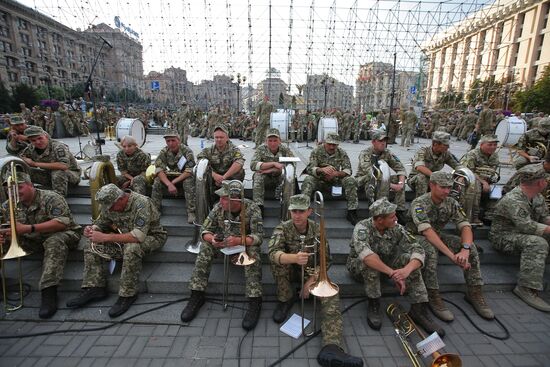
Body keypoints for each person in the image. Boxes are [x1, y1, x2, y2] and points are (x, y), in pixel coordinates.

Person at [268, 194, 363, 367]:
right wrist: (293, 258)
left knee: (331, 294)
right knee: (278, 264)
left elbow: (326, 260)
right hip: (291, 269)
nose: (297, 215)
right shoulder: (282, 228)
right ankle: (285, 298)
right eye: (294, 211)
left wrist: (310, 281)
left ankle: (332, 347)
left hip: (310, 272)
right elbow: (273, 252)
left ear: (309, 211)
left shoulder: (317, 229)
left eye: (301, 211)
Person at [66, 184, 167, 317]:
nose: (110, 210)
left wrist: (106, 237)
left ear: (121, 199)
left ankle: (127, 294)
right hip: (123, 236)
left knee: (132, 248)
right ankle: (95, 287)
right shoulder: (110, 204)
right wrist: (93, 229)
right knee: (90, 245)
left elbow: (138, 236)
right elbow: (102, 221)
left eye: (112, 207)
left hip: (151, 236)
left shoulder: (141, 203)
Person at [347, 198, 444, 335]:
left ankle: (419, 310)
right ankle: (374, 303)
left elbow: (418, 248)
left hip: (387, 263)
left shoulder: (397, 228)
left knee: (410, 261)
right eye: (392, 216)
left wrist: (406, 271)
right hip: (359, 267)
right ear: (380, 219)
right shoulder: (362, 228)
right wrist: (393, 273)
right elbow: (368, 257)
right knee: (371, 264)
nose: (396, 218)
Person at [409, 171, 494, 321]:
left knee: (471, 246)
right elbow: (427, 233)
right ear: (432, 185)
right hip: (415, 237)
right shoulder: (419, 203)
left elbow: (465, 227)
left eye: (449, 187)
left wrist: (465, 250)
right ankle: (433, 294)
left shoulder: (451, 203)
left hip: (437, 236)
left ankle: (474, 291)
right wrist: (452, 256)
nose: (447, 191)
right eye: (443, 187)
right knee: (430, 249)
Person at [180, 181, 263, 330]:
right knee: (205, 247)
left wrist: (238, 240)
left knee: (254, 252)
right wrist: (212, 239)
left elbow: (258, 237)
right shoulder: (219, 207)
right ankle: (197, 294)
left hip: (243, 245)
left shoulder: (252, 209)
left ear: (236, 199)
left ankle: (254, 299)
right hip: (223, 244)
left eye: (225, 198)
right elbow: (204, 230)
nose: (220, 201)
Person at [0, 172, 81, 318]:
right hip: (31, 240)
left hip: (62, 234)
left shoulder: (51, 197)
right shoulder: (7, 206)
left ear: (30, 185)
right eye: (9, 190)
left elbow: (61, 223)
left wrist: (28, 228)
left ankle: (48, 292)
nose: (14, 192)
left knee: (54, 242)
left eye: (19, 187)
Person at [490, 171, 550, 312]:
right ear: (540, 183)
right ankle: (526, 288)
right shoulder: (513, 199)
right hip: (504, 237)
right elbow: (527, 226)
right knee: (537, 243)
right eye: (546, 180)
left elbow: (544, 217)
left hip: (522, 233)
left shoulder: (537, 197)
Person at [301, 132, 359, 225]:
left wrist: (336, 174)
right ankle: (303, 210)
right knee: (308, 180)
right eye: (329, 144)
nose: (332, 147)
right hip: (319, 180)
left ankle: (352, 212)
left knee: (350, 180)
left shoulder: (341, 153)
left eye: (334, 144)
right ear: (324, 142)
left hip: (335, 181)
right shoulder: (316, 151)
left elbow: (348, 170)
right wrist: (321, 170)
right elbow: (310, 169)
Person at [355, 129, 407, 222]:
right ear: (373, 142)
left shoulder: (387, 153)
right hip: (363, 179)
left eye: (385, 141)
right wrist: (389, 185)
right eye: (380, 141)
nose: (383, 143)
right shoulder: (365, 153)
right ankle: (375, 213)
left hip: (380, 179)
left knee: (398, 179)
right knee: (372, 181)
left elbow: (400, 169)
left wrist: (400, 183)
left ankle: (399, 211)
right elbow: (371, 173)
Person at [19, 125, 81, 196]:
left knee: (58, 172)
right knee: (23, 171)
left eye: (40, 138)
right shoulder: (31, 148)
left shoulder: (58, 147)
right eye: (33, 140)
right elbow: (21, 157)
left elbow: (64, 166)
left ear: (45, 135)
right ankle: (26, 195)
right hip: (49, 175)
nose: (38, 142)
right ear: (29, 141)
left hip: (70, 175)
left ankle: (58, 198)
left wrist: (34, 163)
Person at [151, 130, 196, 223]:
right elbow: (159, 169)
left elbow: (189, 171)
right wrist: (168, 184)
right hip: (171, 177)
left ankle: (191, 211)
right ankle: (155, 210)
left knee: (189, 181)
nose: (170, 143)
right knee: (157, 181)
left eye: (173, 140)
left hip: (183, 177)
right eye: (168, 141)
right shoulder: (164, 151)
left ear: (179, 141)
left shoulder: (187, 151)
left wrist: (172, 183)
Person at [250, 128, 295, 213]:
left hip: (279, 178)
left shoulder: (285, 150)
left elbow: (292, 165)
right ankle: (259, 207)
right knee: (257, 176)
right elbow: (253, 165)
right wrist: (273, 164)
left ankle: (288, 206)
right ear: (266, 141)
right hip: (266, 179)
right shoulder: (261, 149)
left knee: (290, 176)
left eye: (275, 140)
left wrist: (269, 170)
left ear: (280, 141)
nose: (272, 143)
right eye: (270, 140)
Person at [459, 134, 500, 224]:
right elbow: (467, 171)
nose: (493, 147)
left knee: (497, 191)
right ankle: (473, 216)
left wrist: (489, 182)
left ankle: (489, 214)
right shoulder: (472, 154)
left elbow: (492, 171)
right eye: (490, 145)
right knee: (476, 187)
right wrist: (483, 182)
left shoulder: (494, 156)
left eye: (495, 145)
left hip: (487, 180)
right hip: (471, 179)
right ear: (481, 145)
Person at [196, 125, 245, 200]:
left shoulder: (234, 149)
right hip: (214, 179)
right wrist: (214, 175)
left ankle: (234, 197)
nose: (219, 139)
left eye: (221, 137)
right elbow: (199, 162)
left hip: (230, 178)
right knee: (200, 169)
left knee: (240, 170)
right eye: (216, 137)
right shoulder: (208, 150)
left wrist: (223, 177)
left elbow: (239, 162)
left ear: (227, 138)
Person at [407, 131, 462, 198]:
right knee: (422, 177)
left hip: (434, 181)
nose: (448, 147)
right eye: (445, 145)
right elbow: (420, 167)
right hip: (416, 180)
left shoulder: (446, 153)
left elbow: (457, 166)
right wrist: (436, 177)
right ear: (435, 144)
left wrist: (461, 175)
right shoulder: (423, 151)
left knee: (451, 178)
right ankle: (421, 202)